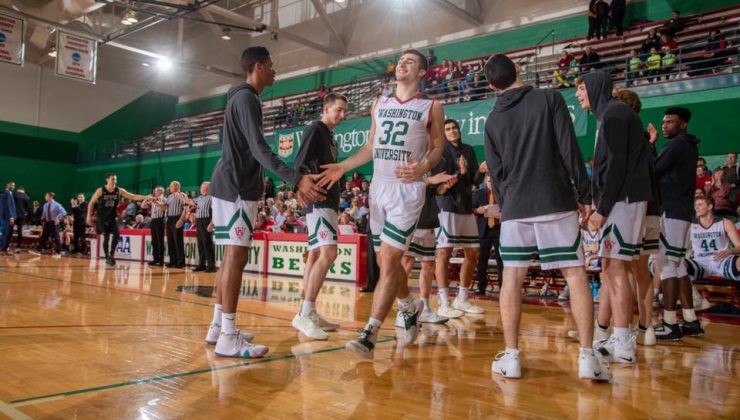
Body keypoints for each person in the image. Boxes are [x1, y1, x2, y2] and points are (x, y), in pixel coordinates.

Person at [483, 54, 610, 381]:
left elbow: (495, 174)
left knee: (511, 279)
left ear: (491, 84)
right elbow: (569, 149)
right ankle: (587, 357)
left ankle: (511, 358)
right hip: (554, 198)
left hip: (515, 208)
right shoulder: (549, 98)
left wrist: (507, 203)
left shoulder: (492, 120)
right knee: (574, 274)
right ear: (519, 70)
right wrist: (584, 195)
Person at [318, 49, 445, 358]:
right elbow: (370, 147)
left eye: (411, 62)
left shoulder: (431, 106)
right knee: (384, 261)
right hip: (379, 189)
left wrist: (423, 167)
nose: (402, 63)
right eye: (401, 60)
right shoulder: (379, 103)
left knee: (389, 260)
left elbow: (438, 147)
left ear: (422, 73)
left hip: (407, 190)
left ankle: (369, 333)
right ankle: (408, 306)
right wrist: (344, 166)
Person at [206, 46, 325, 359]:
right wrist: (295, 178)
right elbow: (259, 149)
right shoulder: (247, 98)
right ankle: (228, 336)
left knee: (230, 258)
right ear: (258, 66)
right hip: (236, 186)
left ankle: (219, 326)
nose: (275, 71)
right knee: (235, 257)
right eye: (271, 66)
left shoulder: (240, 98)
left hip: (229, 183)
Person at [576, 72, 653, 365]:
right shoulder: (608, 115)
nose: (579, 94)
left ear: (594, 87)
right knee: (611, 268)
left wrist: (602, 209)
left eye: (582, 88)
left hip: (624, 201)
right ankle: (620, 336)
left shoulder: (615, 114)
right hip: (620, 200)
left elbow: (619, 164)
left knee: (617, 268)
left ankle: (623, 341)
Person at [291, 92, 348, 340]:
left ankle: (309, 310)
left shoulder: (329, 135)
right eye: (338, 109)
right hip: (319, 199)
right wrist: (297, 188)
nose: (342, 115)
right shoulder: (315, 129)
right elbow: (299, 162)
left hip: (327, 201)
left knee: (315, 254)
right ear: (325, 108)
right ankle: (305, 313)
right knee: (329, 253)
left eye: (345, 111)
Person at [652, 107, 702, 340]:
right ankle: (691, 320)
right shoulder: (688, 145)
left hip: (671, 211)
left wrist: (648, 146)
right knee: (679, 265)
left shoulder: (676, 145)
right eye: (664, 122)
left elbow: (653, 170)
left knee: (667, 266)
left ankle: (670, 323)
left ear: (682, 125)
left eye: (670, 122)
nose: (665, 125)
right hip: (680, 211)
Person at [434, 119, 485, 316]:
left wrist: (480, 172)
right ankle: (443, 301)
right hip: (447, 206)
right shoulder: (441, 152)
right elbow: (441, 183)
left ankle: (462, 298)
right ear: (443, 133)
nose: (452, 131)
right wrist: (461, 172)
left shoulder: (469, 150)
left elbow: (473, 181)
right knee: (445, 253)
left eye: (454, 128)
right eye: (447, 129)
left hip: (466, 205)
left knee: (473, 253)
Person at [397, 171, 458, 328]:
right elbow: (404, 183)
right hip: (411, 218)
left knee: (429, 265)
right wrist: (430, 180)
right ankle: (403, 310)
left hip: (428, 219)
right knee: (406, 264)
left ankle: (423, 308)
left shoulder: (434, 160)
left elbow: (433, 191)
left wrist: (443, 187)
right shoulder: (410, 156)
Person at [86, 173, 151, 268]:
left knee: (117, 235)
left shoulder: (119, 190)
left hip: (112, 217)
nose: (114, 181)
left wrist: (145, 197)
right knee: (106, 237)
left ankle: (111, 254)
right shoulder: (101, 190)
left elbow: (132, 196)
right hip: (102, 217)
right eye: (112, 179)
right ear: (107, 180)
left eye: (115, 179)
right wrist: (89, 216)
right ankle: (107, 256)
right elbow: (91, 202)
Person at [685, 196, 740, 282]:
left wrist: (730, 251)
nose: (697, 207)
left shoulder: (725, 222)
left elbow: (739, 246)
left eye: (700, 204)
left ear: (710, 207)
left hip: (722, 261)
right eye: (696, 205)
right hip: (700, 262)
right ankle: (692, 294)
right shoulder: (690, 225)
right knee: (679, 265)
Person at [473, 174, 503, 294]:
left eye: (492, 181)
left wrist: (501, 213)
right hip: (483, 229)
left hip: (498, 228)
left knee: (501, 260)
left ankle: (503, 287)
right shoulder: (478, 193)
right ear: (485, 180)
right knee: (482, 260)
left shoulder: (501, 192)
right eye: (489, 181)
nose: (490, 183)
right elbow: (470, 208)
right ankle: (481, 286)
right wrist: (477, 210)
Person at [182, 182, 216, 272]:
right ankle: (201, 264)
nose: (200, 189)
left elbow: (216, 211)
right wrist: (180, 197)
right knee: (200, 244)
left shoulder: (212, 197)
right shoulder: (199, 198)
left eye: (202, 187)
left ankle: (211, 266)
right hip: (199, 221)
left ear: (207, 188)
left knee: (207, 244)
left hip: (207, 220)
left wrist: (211, 223)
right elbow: (190, 202)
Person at [163, 181, 189, 269]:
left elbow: (186, 208)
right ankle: (172, 261)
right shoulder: (169, 196)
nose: (170, 188)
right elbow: (165, 207)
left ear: (177, 187)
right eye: (170, 186)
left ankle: (181, 262)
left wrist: (181, 220)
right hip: (169, 218)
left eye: (172, 186)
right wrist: (155, 202)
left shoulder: (182, 195)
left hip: (177, 217)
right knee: (170, 241)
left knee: (178, 241)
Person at [34, 192, 66, 258]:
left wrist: (57, 218)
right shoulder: (45, 205)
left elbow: (64, 212)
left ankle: (58, 252)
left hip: (54, 223)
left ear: (50, 197)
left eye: (46, 196)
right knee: (43, 237)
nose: (45, 197)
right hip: (47, 223)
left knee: (56, 237)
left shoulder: (57, 204)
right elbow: (44, 213)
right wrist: (42, 217)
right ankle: (38, 250)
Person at [141, 186, 167, 267]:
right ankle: (155, 259)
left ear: (161, 192)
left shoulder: (164, 199)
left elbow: (163, 208)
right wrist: (146, 198)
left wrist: (155, 201)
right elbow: (142, 206)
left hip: (160, 220)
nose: (156, 193)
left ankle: (161, 260)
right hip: (153, 220)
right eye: (155, 191)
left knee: (160, 241)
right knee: (154, 241)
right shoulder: (153, 200)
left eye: (158, 191)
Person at [12, 185, 30, 252]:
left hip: (13, 215)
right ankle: (18, 247)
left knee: (9, 231)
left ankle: (6, 246)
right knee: (20, 232)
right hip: (22, 216)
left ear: (18, 190)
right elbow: (26, 208)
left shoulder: (14, 195)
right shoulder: (27, 197)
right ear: (23, 190)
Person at [0, 182, 16, 255]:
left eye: (14, 185)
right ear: (7, 185)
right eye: (12, 185)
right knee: (7, 234)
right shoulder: (7, 193)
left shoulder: (9, 193)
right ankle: (3, 250)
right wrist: (11, 217)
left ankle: (3, 249)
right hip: (7, 218)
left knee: (5, 234)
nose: (13, 186)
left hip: (6, 218)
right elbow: (8, 206)